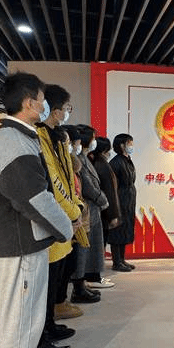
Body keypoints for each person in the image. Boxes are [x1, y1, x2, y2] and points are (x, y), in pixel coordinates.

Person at [0, 72, 74, 348]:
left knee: (19, 322)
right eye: (43, 101)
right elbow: (34, 198)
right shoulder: (14, 141)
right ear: (29, 103)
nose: (45, 107)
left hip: (18, 245)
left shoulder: (16, 137)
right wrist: (66, 227)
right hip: (20, 249)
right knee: (19, 324)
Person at [32, 85, 86, 348]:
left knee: (54, 283)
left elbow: (66, 178)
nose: (67, 113)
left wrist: (75, 207)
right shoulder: (36, 137)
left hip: (63, 221)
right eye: (66, 108)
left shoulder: (56, 138)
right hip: (52, 223)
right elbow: (52, 182)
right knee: (44, 289)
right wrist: (72, 211)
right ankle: (40, 344)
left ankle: (49, 328)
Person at [71, 124, 113, 303]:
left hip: (92, 210)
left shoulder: (85, 157)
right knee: (82, 250)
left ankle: (83, 283)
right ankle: (79, 286)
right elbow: (87, 186)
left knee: (89, 249)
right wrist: (102, 199)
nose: (94, 141)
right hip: (86, 209)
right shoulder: (78, 159)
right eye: (93, 138)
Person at [89, 137, 122, 270]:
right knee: (99, 244)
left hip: (100, 210)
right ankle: (95, 273)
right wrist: (113, 215)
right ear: (104, 150)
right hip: (103, 211)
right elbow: (109, 192)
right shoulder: (102, 166)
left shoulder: (96, 163)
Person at [109, 133, 138, 269]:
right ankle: (116, 262)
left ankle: (122, 259)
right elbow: (112, 185)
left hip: (128, 201)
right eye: (129, 143)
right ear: (121, 145)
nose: (131, 146)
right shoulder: (115, 162)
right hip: (119, 201)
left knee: (126, 230)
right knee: (117, 231)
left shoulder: (127, 160)